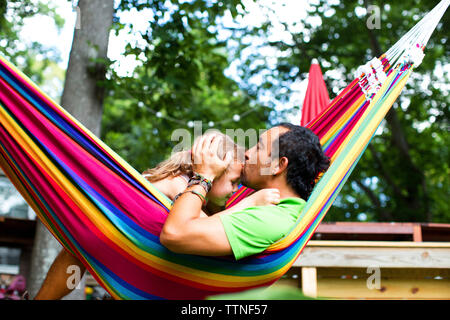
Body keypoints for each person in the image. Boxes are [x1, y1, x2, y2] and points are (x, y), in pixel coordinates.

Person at [33, 131, 279, 300]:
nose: (236, 190)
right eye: (234, 182)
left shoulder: (184, 185)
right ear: (213, 170)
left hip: (118, 250)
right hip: (117, 241)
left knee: (79, 250)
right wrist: (249, 204)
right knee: (81, 248)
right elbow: (209, 227)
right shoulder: (178, 184)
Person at [160, 123, 330, 260]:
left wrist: (203, 177)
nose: (247, 153)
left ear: (277, 165)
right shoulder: (266, 206)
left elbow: (175, 234)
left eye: (258, 147)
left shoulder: (270, 219)